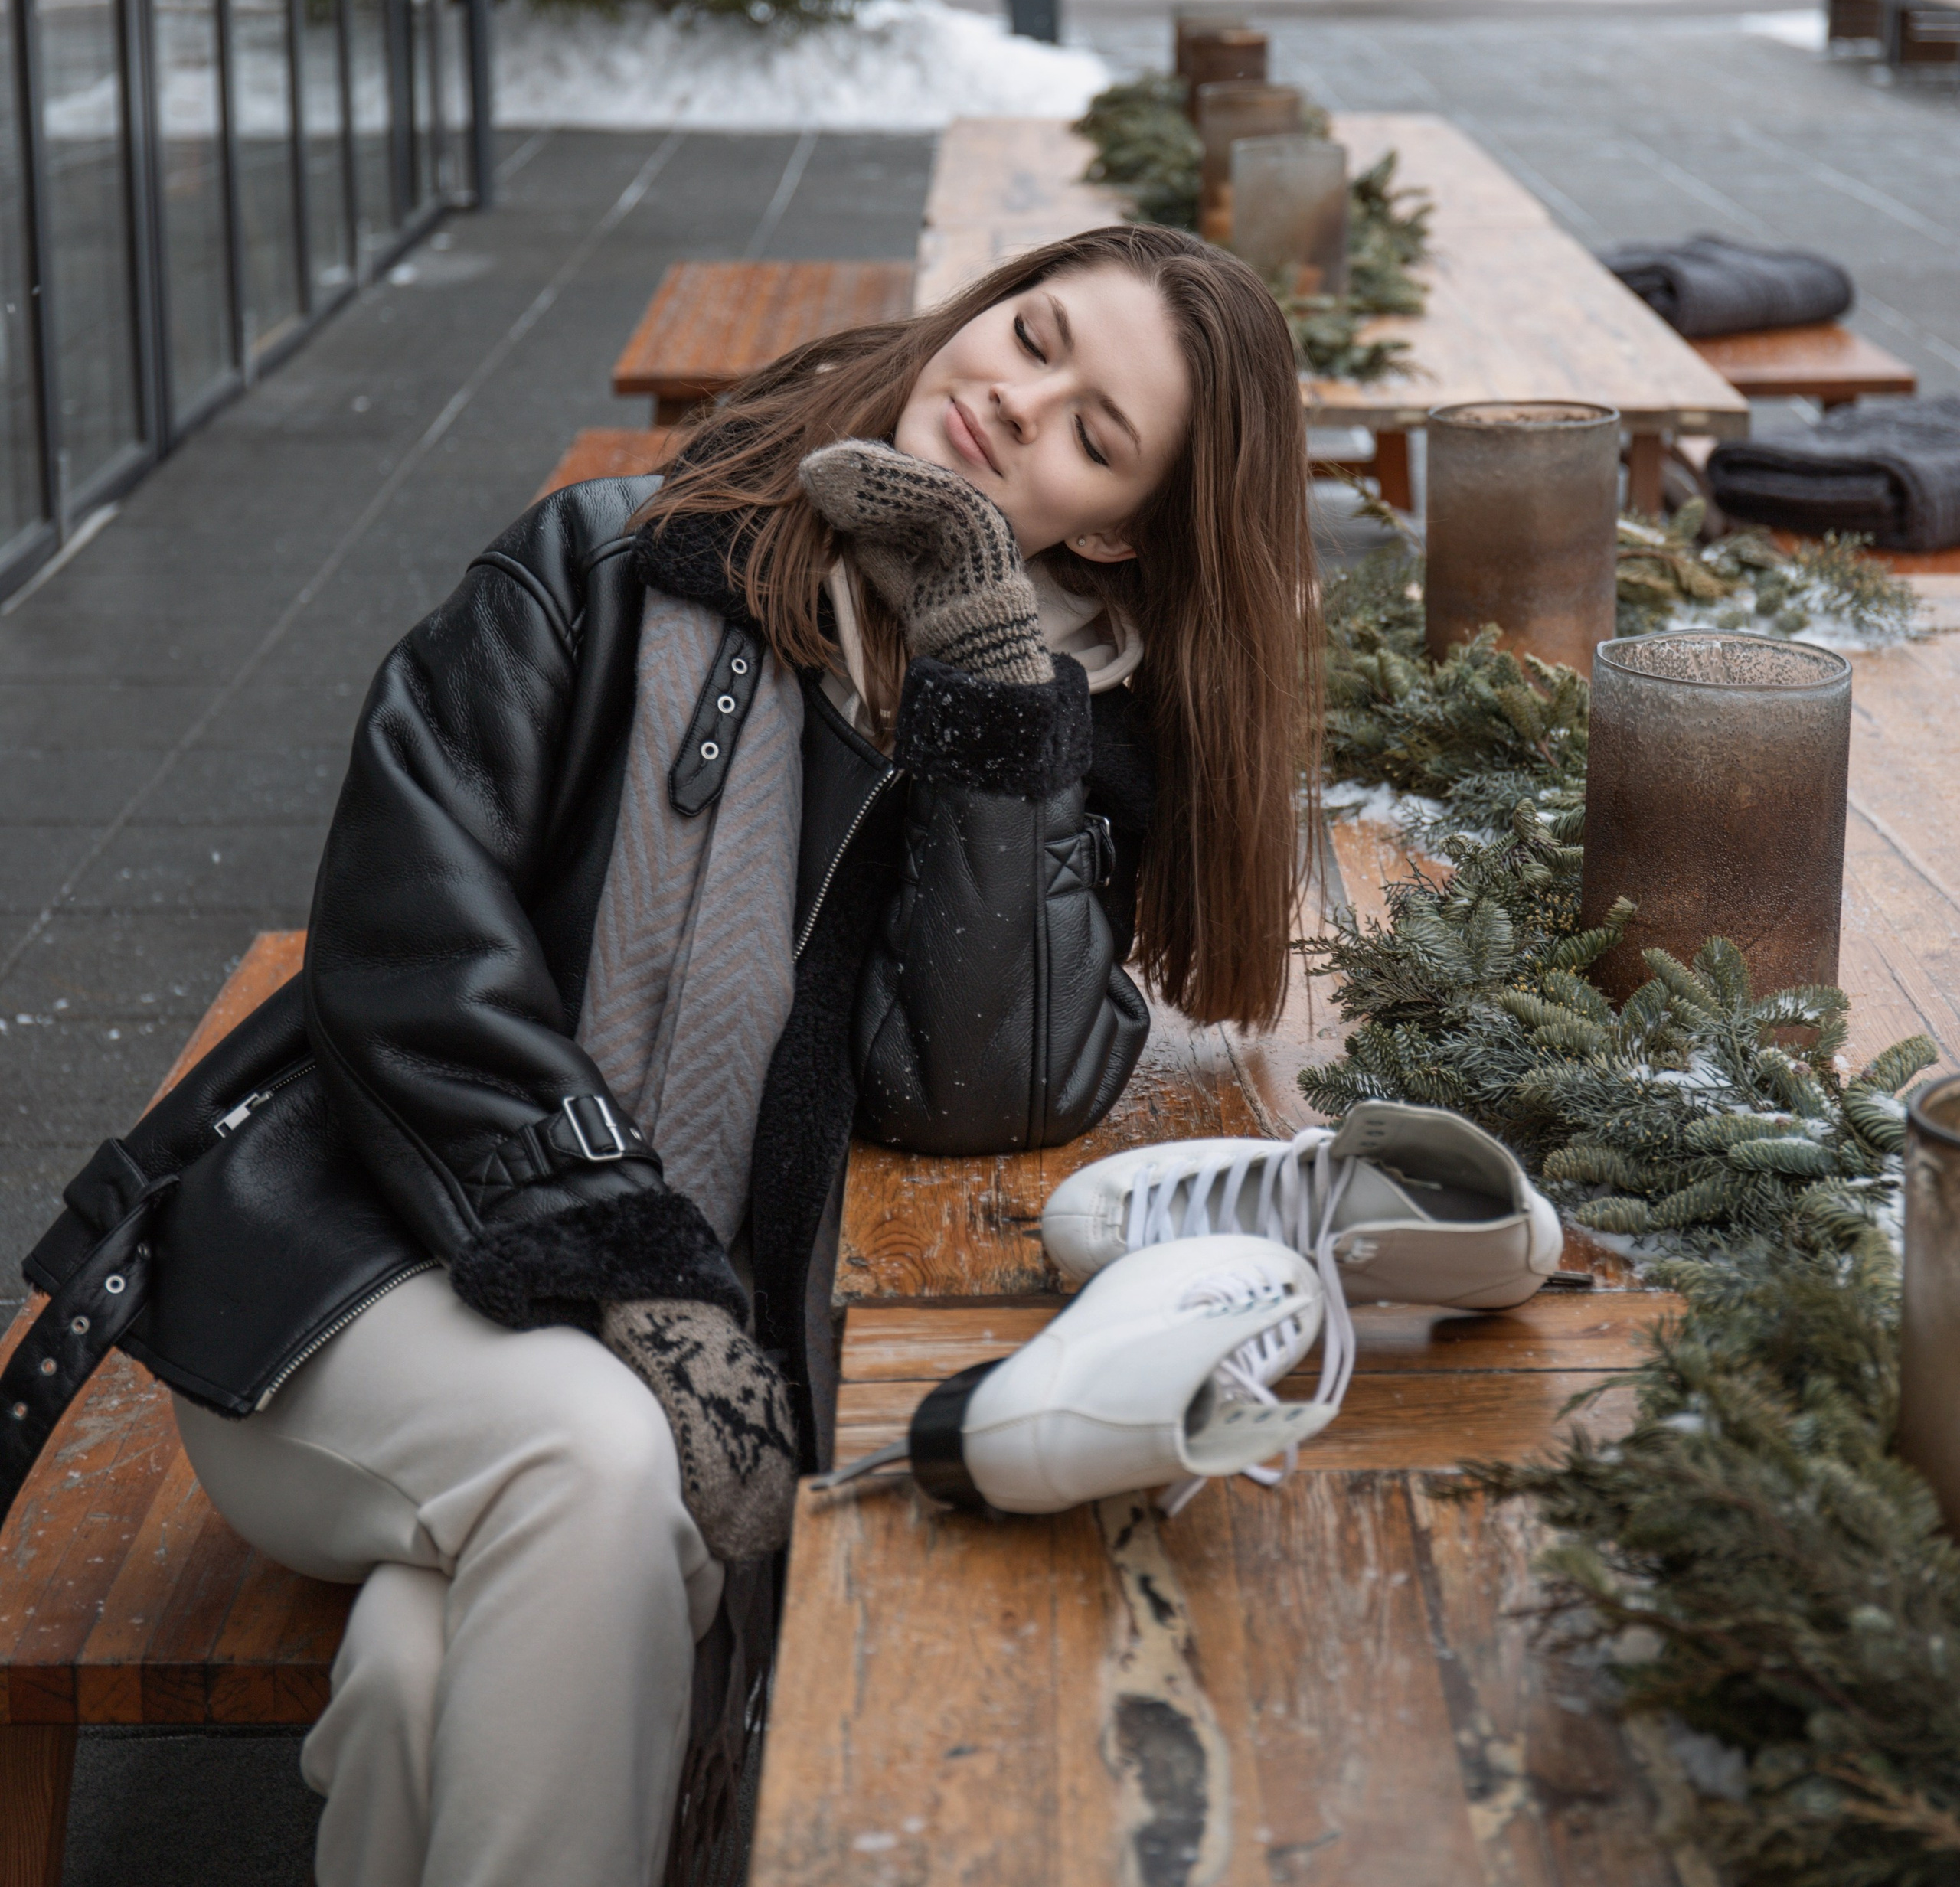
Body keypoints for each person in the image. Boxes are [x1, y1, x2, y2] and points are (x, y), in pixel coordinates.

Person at [25, 223, 1313, 1887]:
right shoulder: (611, 561)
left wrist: (987, 685)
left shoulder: (1041, 727)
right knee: (605, 1454)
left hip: (636, 1378)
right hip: (348, 1286)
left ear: (1122, 528)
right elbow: (407, 951)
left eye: (1094, 431)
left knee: (423, 1677)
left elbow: (972, 1089)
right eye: (1034, 333)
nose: (1018, 398)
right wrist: (630, 1262)